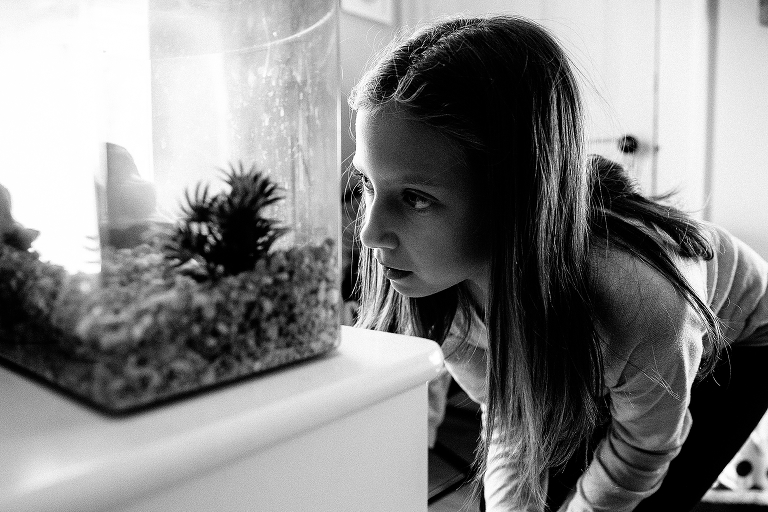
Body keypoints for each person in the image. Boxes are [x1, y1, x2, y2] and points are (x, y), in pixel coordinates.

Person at [348, 15, 768, 512]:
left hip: (740, 340)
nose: (371, 233)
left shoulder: (635, 299)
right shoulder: (444, 291)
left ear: (510, 196)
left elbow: (642, 448)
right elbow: (510, 421)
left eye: (416, 198)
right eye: (368, 185)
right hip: (589, 338)